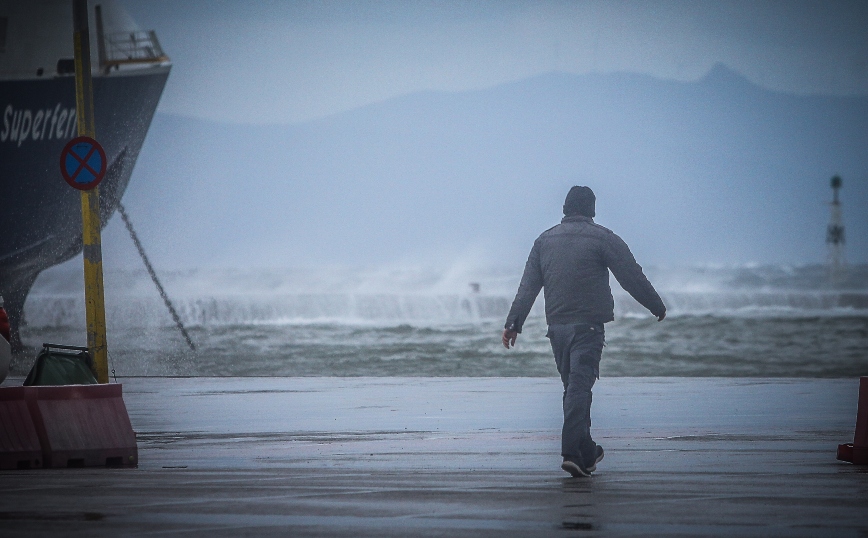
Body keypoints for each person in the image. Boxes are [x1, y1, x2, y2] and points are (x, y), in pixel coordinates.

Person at [502, 186, 666, 478]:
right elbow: (631, 275)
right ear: (591, 209)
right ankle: (573, 453)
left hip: (556, 328)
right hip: (588, 327)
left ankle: (587, 451)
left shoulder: (544, 241)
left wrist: (513, 323)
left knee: (575, 389)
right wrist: (655, 305)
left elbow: (528, 286)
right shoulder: (603, 237)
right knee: (579, 388)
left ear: (565, 208)